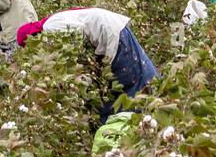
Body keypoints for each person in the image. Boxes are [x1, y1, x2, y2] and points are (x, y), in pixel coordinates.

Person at [15, 7, 158, 120]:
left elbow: (77, 38)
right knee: (131, 77)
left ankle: (150, 111)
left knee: (130, 79)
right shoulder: (50, 26)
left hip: (111, 34)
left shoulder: (50, 27)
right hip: (111, 30)